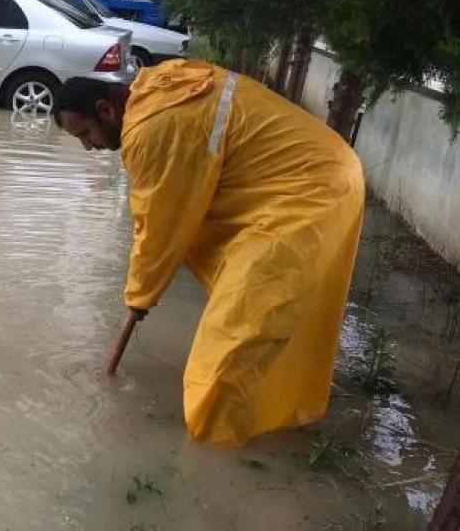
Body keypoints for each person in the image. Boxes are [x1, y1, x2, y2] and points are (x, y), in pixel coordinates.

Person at [55, 59, 365, 447]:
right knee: (259, 319)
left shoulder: (152, 129)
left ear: (105, 109)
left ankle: (209, 452)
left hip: (310, 193)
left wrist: (139, 297)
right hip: (316, 175)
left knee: (232, 341)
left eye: (86, 134)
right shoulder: (160, 88)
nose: (90, 148)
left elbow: (160, 226)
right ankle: (273, 421)